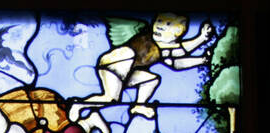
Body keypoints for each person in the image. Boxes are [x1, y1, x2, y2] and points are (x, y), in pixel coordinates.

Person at [71, 15, 216, 122]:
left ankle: (139, 105)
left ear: (178, 32)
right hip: (113, 65)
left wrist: (202, 60)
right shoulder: (146, 36)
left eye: (167, 24)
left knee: (151, 80)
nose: (159, 26)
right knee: (110, 97)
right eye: (159, 21)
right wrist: (201, 38)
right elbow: (180, 51)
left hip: (127, 72)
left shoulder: (164, 50)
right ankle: (79, 105)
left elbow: (177, 62)